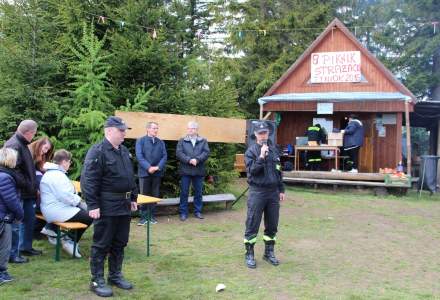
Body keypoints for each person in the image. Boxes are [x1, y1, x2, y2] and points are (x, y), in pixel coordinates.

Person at [81, 116, 138, 297]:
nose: (124, 134)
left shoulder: (123, 151)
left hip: (124, 204)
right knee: (102, 243)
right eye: (121, 131)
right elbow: (88, 181)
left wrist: (134, 197)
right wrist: (92, 204)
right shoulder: (97, 151)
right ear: (109, 131)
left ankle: (115, 275)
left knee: (120, 242)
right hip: (106, 206)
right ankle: (96, 280)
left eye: (124, 130)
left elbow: (131, 177)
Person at [243, 121, 285, 269]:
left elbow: (278, 171)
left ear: (268, 134)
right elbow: (252, 171)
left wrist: (281, 189)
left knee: (272, 224)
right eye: (260, 133)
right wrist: (261, 157)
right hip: (257, 192)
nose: (263, 135)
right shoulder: (251, 152)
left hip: (273, 193)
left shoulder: (274, 151)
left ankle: (269, 253)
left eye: (265, 133)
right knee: (252, 223)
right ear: (255, 135)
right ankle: (249, 254)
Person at [40, 149, 92, 258]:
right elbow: (65, 196)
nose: (69, 164)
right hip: (56, 210)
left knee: (86, 211)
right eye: (69, 162)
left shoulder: (52, 172)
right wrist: (79, 202)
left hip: (53, 208)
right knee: (89, 215)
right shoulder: (57, 175)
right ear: (64, 162)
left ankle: (59, 234)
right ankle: (70, 241)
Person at [4, 119, 39, 263]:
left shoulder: (22, 143)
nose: (34, 137)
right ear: (29, 132)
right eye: (34, 134)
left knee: (29, 220)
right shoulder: (14, 145)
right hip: (18, 191)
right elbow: (11, 169)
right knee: (16, 224)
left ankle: (25, 247)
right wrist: (26, 183)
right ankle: (13, 255)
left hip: (26, 191)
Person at [176, 121, 210, 221]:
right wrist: (189, 160)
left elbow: (206, 152)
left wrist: (197, 159)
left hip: (199, 170)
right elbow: (179, 153)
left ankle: (198, 211)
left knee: (198, 192)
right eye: (189, 128)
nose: (190, 130)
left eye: (192, 128)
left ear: (196, 130)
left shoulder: (203, 140)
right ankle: (183, 212)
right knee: (184, 192)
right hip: (185, 170)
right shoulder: (182, 140)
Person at [0, 148, 24, 284]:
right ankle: (1, 273)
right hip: (3, 217)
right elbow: (11, 200)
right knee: (4, 246)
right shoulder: (5, 177)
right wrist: (20, 214)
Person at [135, 122, 167, 225]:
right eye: (154, 128)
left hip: (157, 173)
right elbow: (139, 156)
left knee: (154, 195)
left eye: (157, 128)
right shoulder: (140, 141)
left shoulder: (161, 142)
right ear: (148, 129)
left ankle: (152, 216)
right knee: (144, 195)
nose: (156, 130)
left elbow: (164, 156)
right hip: (144, 173)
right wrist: (148, 167)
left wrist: (158, 167)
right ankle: (143, 218)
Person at [28, 137, 55, 241]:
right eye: (45, 148)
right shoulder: (29, 152)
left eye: (48, 150)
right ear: (40, 144)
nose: (46, 151)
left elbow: (41, 167)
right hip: (31, 185)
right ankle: (39, 229)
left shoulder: (41, 155)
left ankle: (39, 229)